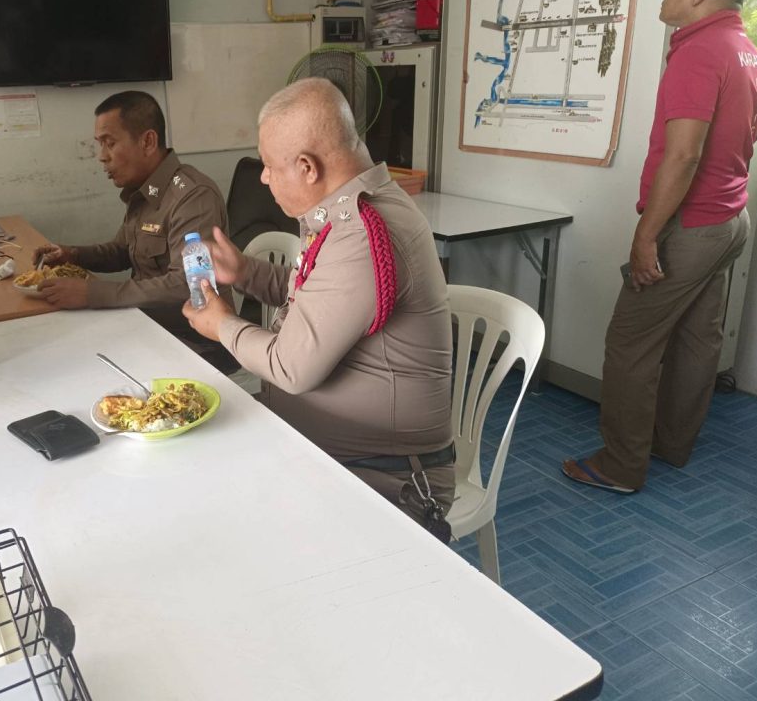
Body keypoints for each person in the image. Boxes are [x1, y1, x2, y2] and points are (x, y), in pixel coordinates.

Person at [182, 78, 456, 520]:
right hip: (323, 448)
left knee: (211, 504)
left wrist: (221, 325)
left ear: (308, 168)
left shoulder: (362, 234)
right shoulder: (349, 212)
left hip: (381, 476)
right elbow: (314, 294)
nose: (264, 177)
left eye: (269, 166)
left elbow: (290, 369)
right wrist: (245, 272)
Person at [563, 0, 757, 494]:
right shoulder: (747, 51)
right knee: (699, 338)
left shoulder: (699, 51)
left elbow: (684, 155)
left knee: (631, 342)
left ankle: (621, 465)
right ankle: (672, 445)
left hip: (691, 226)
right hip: (730, 220)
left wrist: (646, 235)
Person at [32, 91, 234, 368]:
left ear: (148, 141)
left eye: (110, 143)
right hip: (144, 324)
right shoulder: (145, 191)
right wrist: (72, 255)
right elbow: (122, 251)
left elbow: (186, 284)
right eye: (100, 145)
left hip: (193, 340)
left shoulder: (192, 196)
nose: (102, 157)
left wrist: (92, 293)